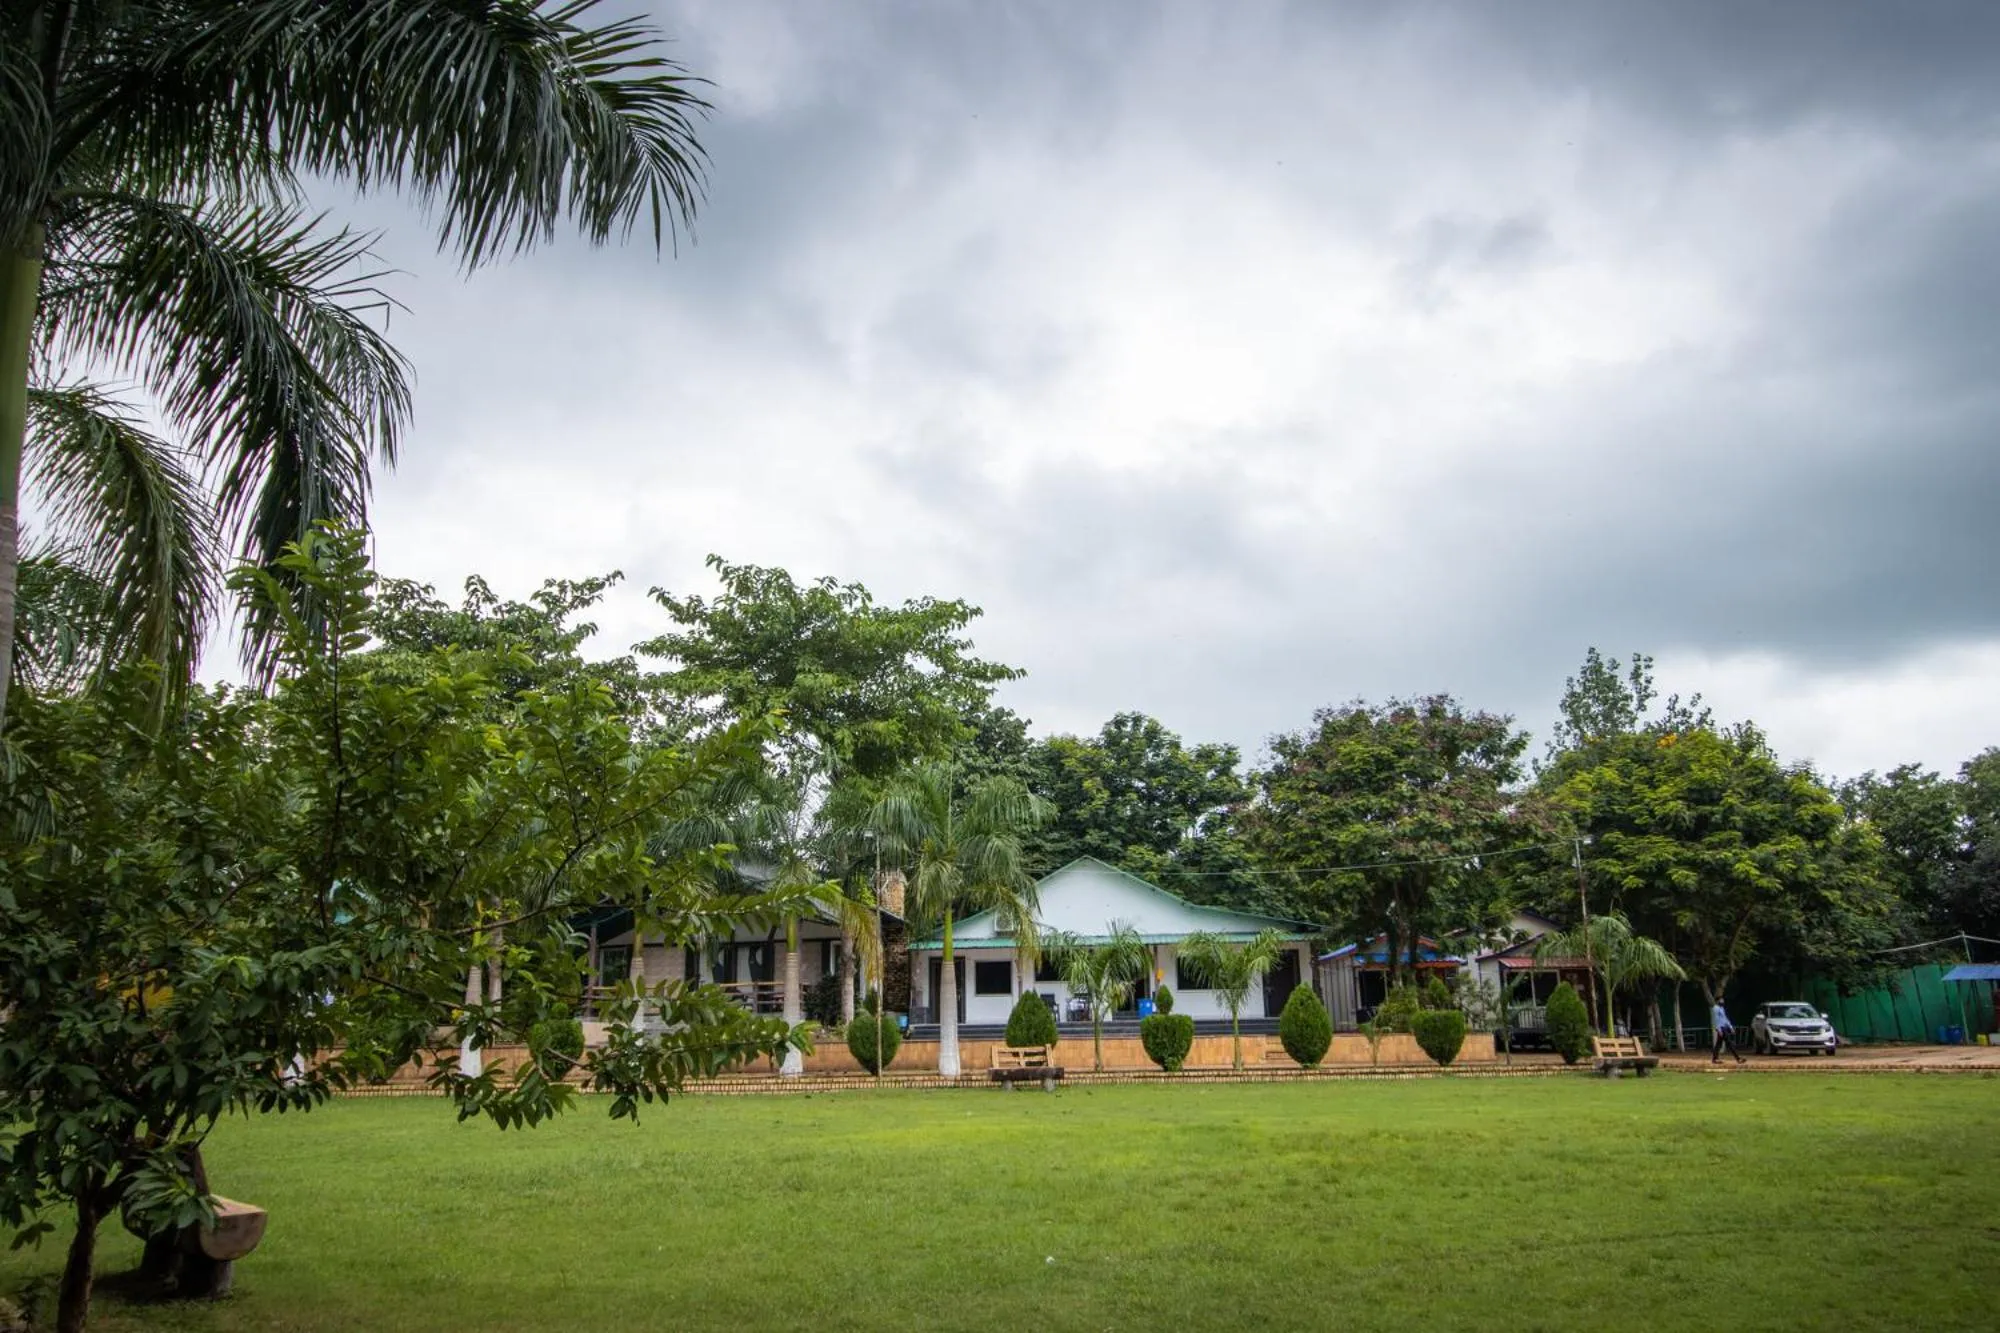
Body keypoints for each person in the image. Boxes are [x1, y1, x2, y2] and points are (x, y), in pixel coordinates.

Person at [1711, 997, 1745, 1064]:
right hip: (1721, 1028)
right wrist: (1719, 1029)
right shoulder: (1715, 1008)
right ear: (1717, 1001)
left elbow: (1725, 1018)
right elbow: (1716, 1019)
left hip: (1724, 1028)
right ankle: (1738, 1059)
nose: (1722, 1001)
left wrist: (1730, 1027)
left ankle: (1715, 1059)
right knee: (1729, 1043)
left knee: (1718, 1044)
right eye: (1721, 1000)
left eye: (1722, 1000)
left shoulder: (1722, 1008)